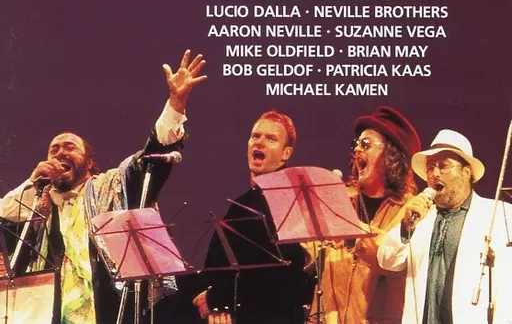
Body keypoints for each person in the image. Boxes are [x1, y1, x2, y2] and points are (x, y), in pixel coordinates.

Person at [0, 49, 207, 324]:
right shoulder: (37, 203)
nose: (60, 153)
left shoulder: (108, 186)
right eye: (54, 149)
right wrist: (32, 182)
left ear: (89, 163)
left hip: (103, 311)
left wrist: (175, 104)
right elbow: (4, 216)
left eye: (69, 147)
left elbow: (147, 161)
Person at [377, 129, 512, 324]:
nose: (434, 173)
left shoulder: (497, 213)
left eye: (443, 166)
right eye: (430, 167)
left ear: (466, 172)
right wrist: (405, 227)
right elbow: (387, 261)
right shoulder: (420, 217)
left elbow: (507, 286)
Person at [303, 105, 420, 324]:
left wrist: (351, 229)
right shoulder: (341, 200)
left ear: (391, 156)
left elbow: (392, 259)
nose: (357, 150)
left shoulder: (410, 209)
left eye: (366, 144)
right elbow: (309, 256)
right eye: (355, 144)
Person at [192, 110, 309, 324]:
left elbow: (282, 276)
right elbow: (218, 266)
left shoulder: (287, 200)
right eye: (255, 136)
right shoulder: (244, 204)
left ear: (286, 153)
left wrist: (219, 299)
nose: (259, 142)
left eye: (271, 139)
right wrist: (215, 300)